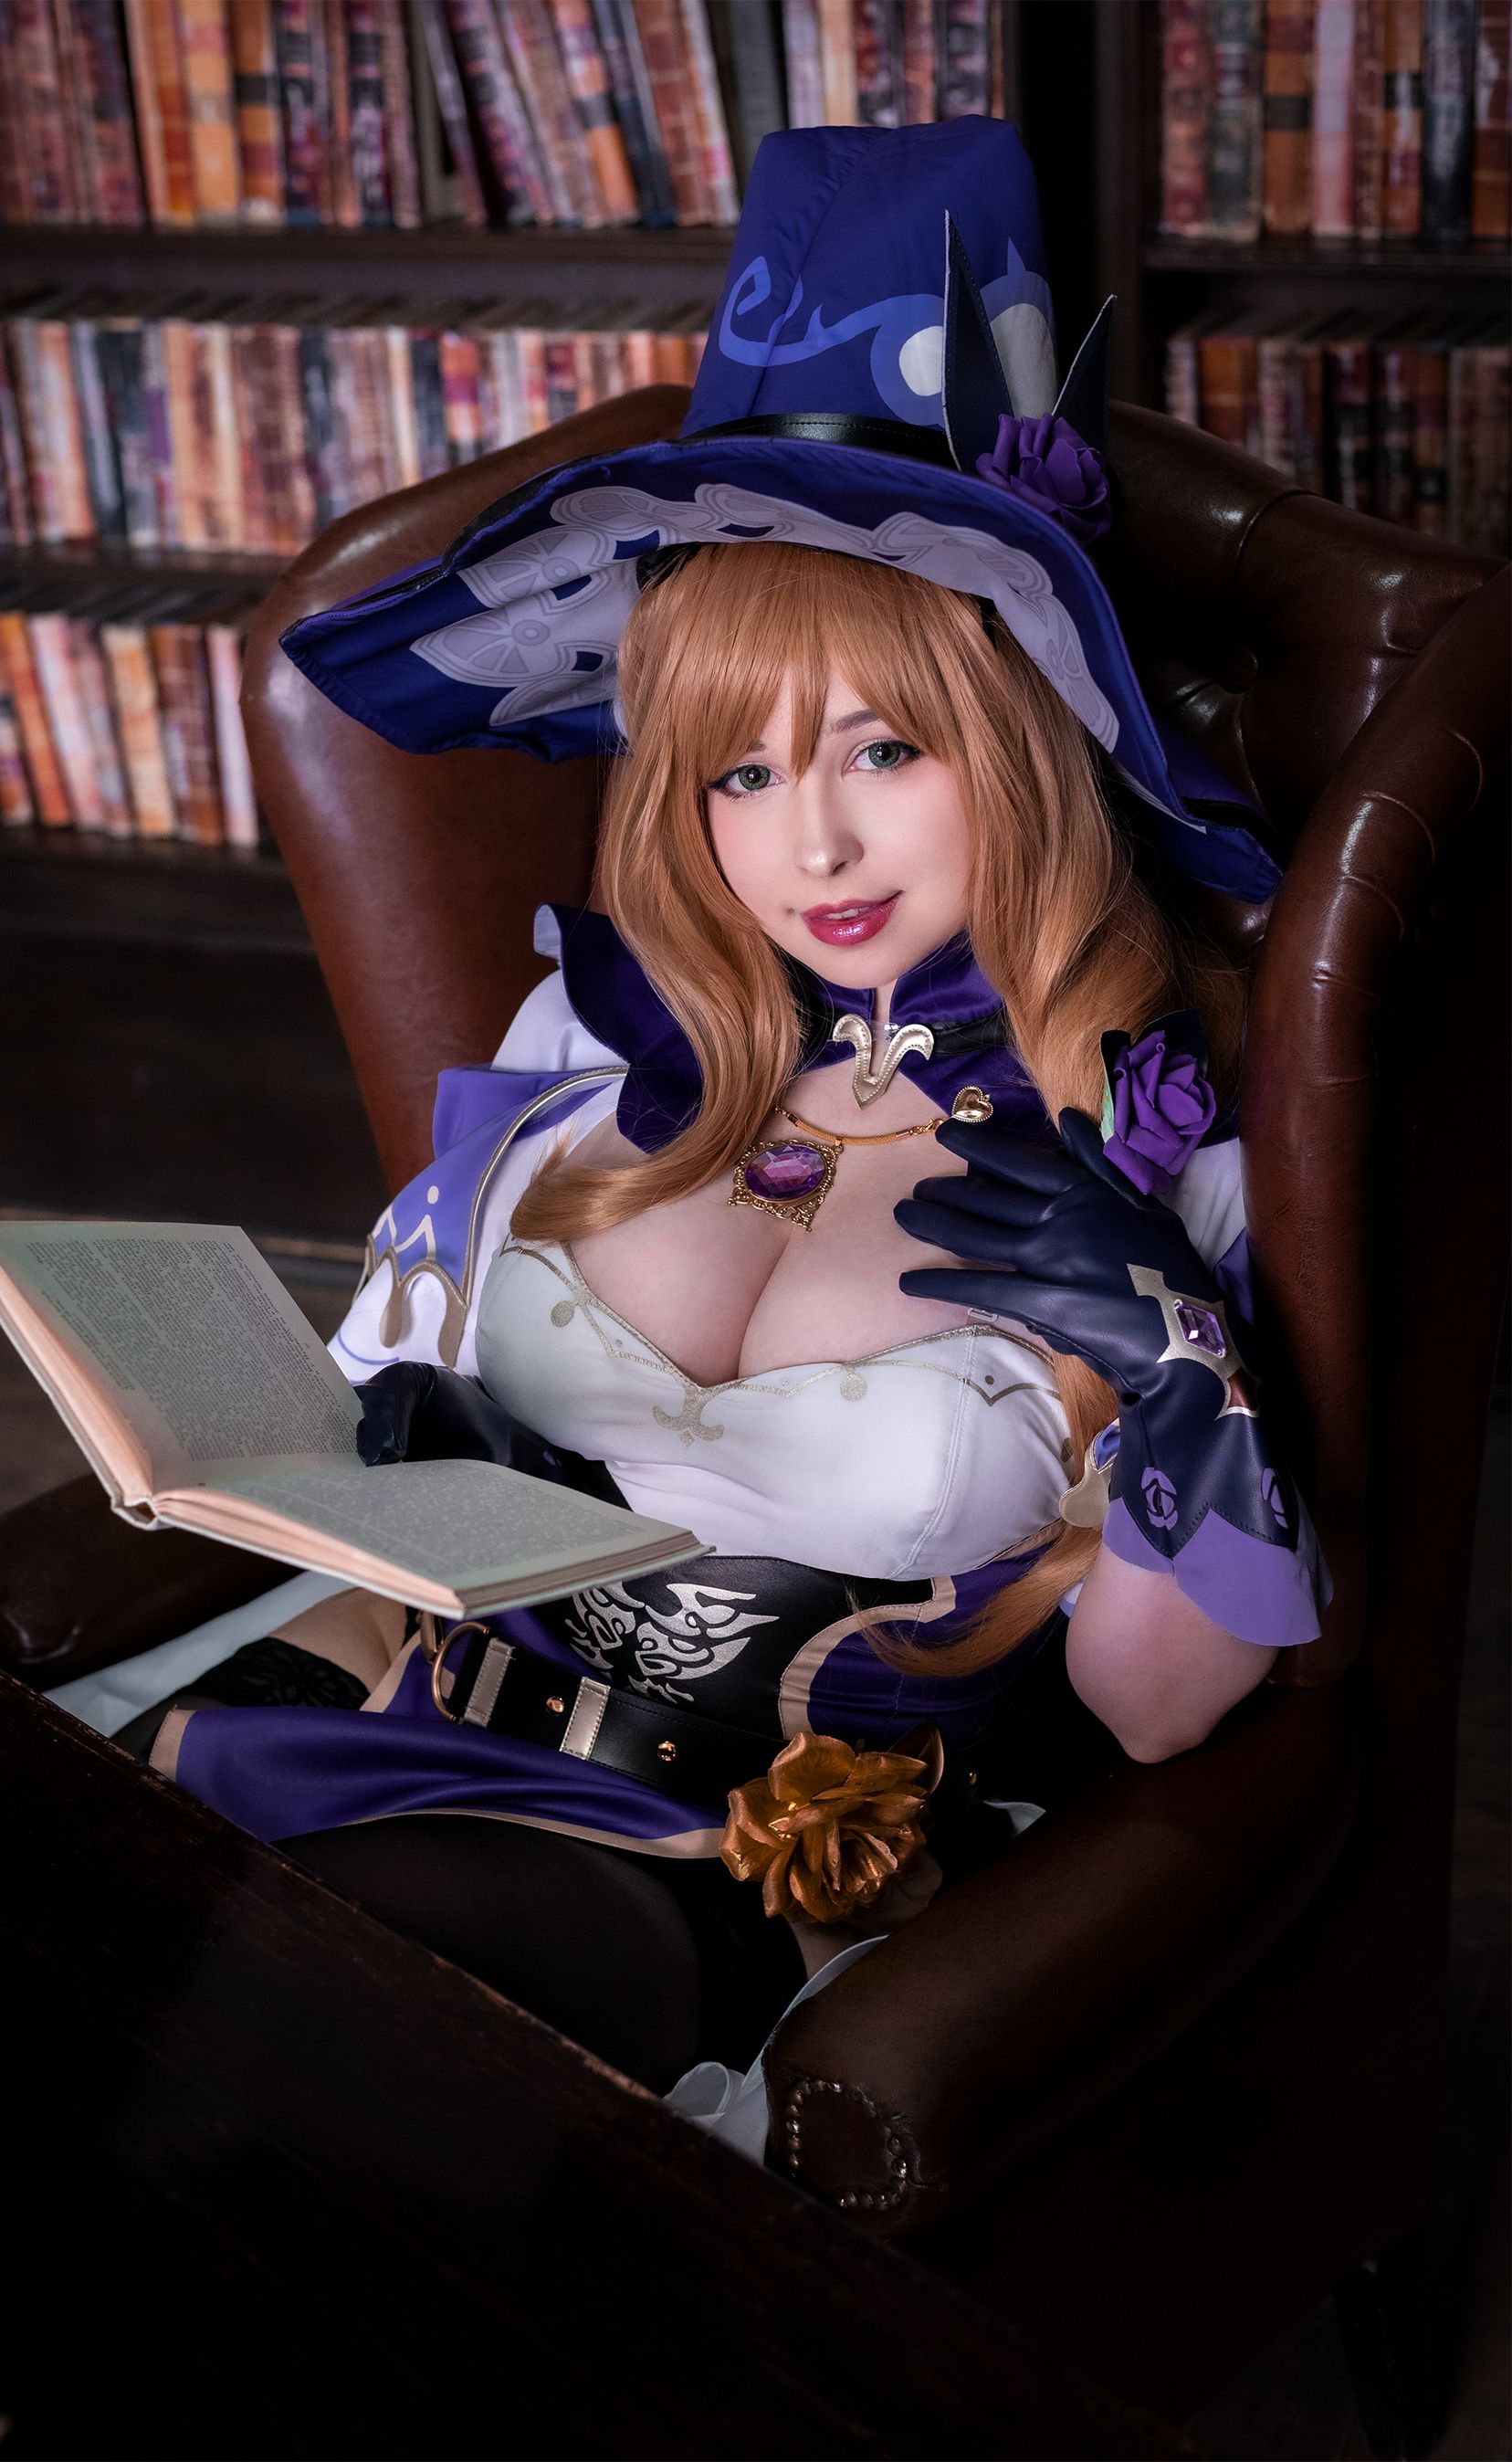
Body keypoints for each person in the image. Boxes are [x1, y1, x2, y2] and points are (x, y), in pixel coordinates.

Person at [119, 119, 1329, 2123]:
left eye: (884, 747)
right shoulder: (587, 1038)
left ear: (1028, 732)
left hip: (763, 1872)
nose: (811, 846)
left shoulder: (1168, 1131)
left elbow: (1158, 1716)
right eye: (739, 773)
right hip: (389, 1730)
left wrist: (1182, 1367)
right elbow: (373, 1446)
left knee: (331, 2046)